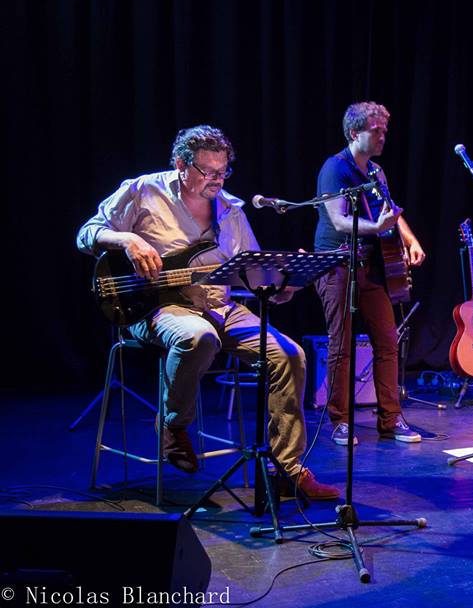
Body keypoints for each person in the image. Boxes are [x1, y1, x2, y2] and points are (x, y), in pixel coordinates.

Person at [77, 125, 338, 500]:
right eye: (208, 171)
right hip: (153, 305)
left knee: (289, 354)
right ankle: (173, 424)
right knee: (199, 337)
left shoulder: (231, 210)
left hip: (219, 306)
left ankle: (286, 469)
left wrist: (284, 284)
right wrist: (128, 239)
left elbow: (253, 274)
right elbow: (87, 233)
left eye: (223, 170)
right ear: (181, 165)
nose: (217, 179)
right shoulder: (144, 190)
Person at [313, 102, 426, 446]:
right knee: (342, 346)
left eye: (384, 131)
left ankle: (390, 419)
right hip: (337, 264)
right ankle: (340, 421)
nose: (382, 137)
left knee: (388, 342)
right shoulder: (335, 169)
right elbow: (338, 220)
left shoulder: (377, 172)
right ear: (354, 133)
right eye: (375, 131)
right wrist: (376, 228)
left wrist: (410, 240)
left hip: (372, 267)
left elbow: (391, 212)